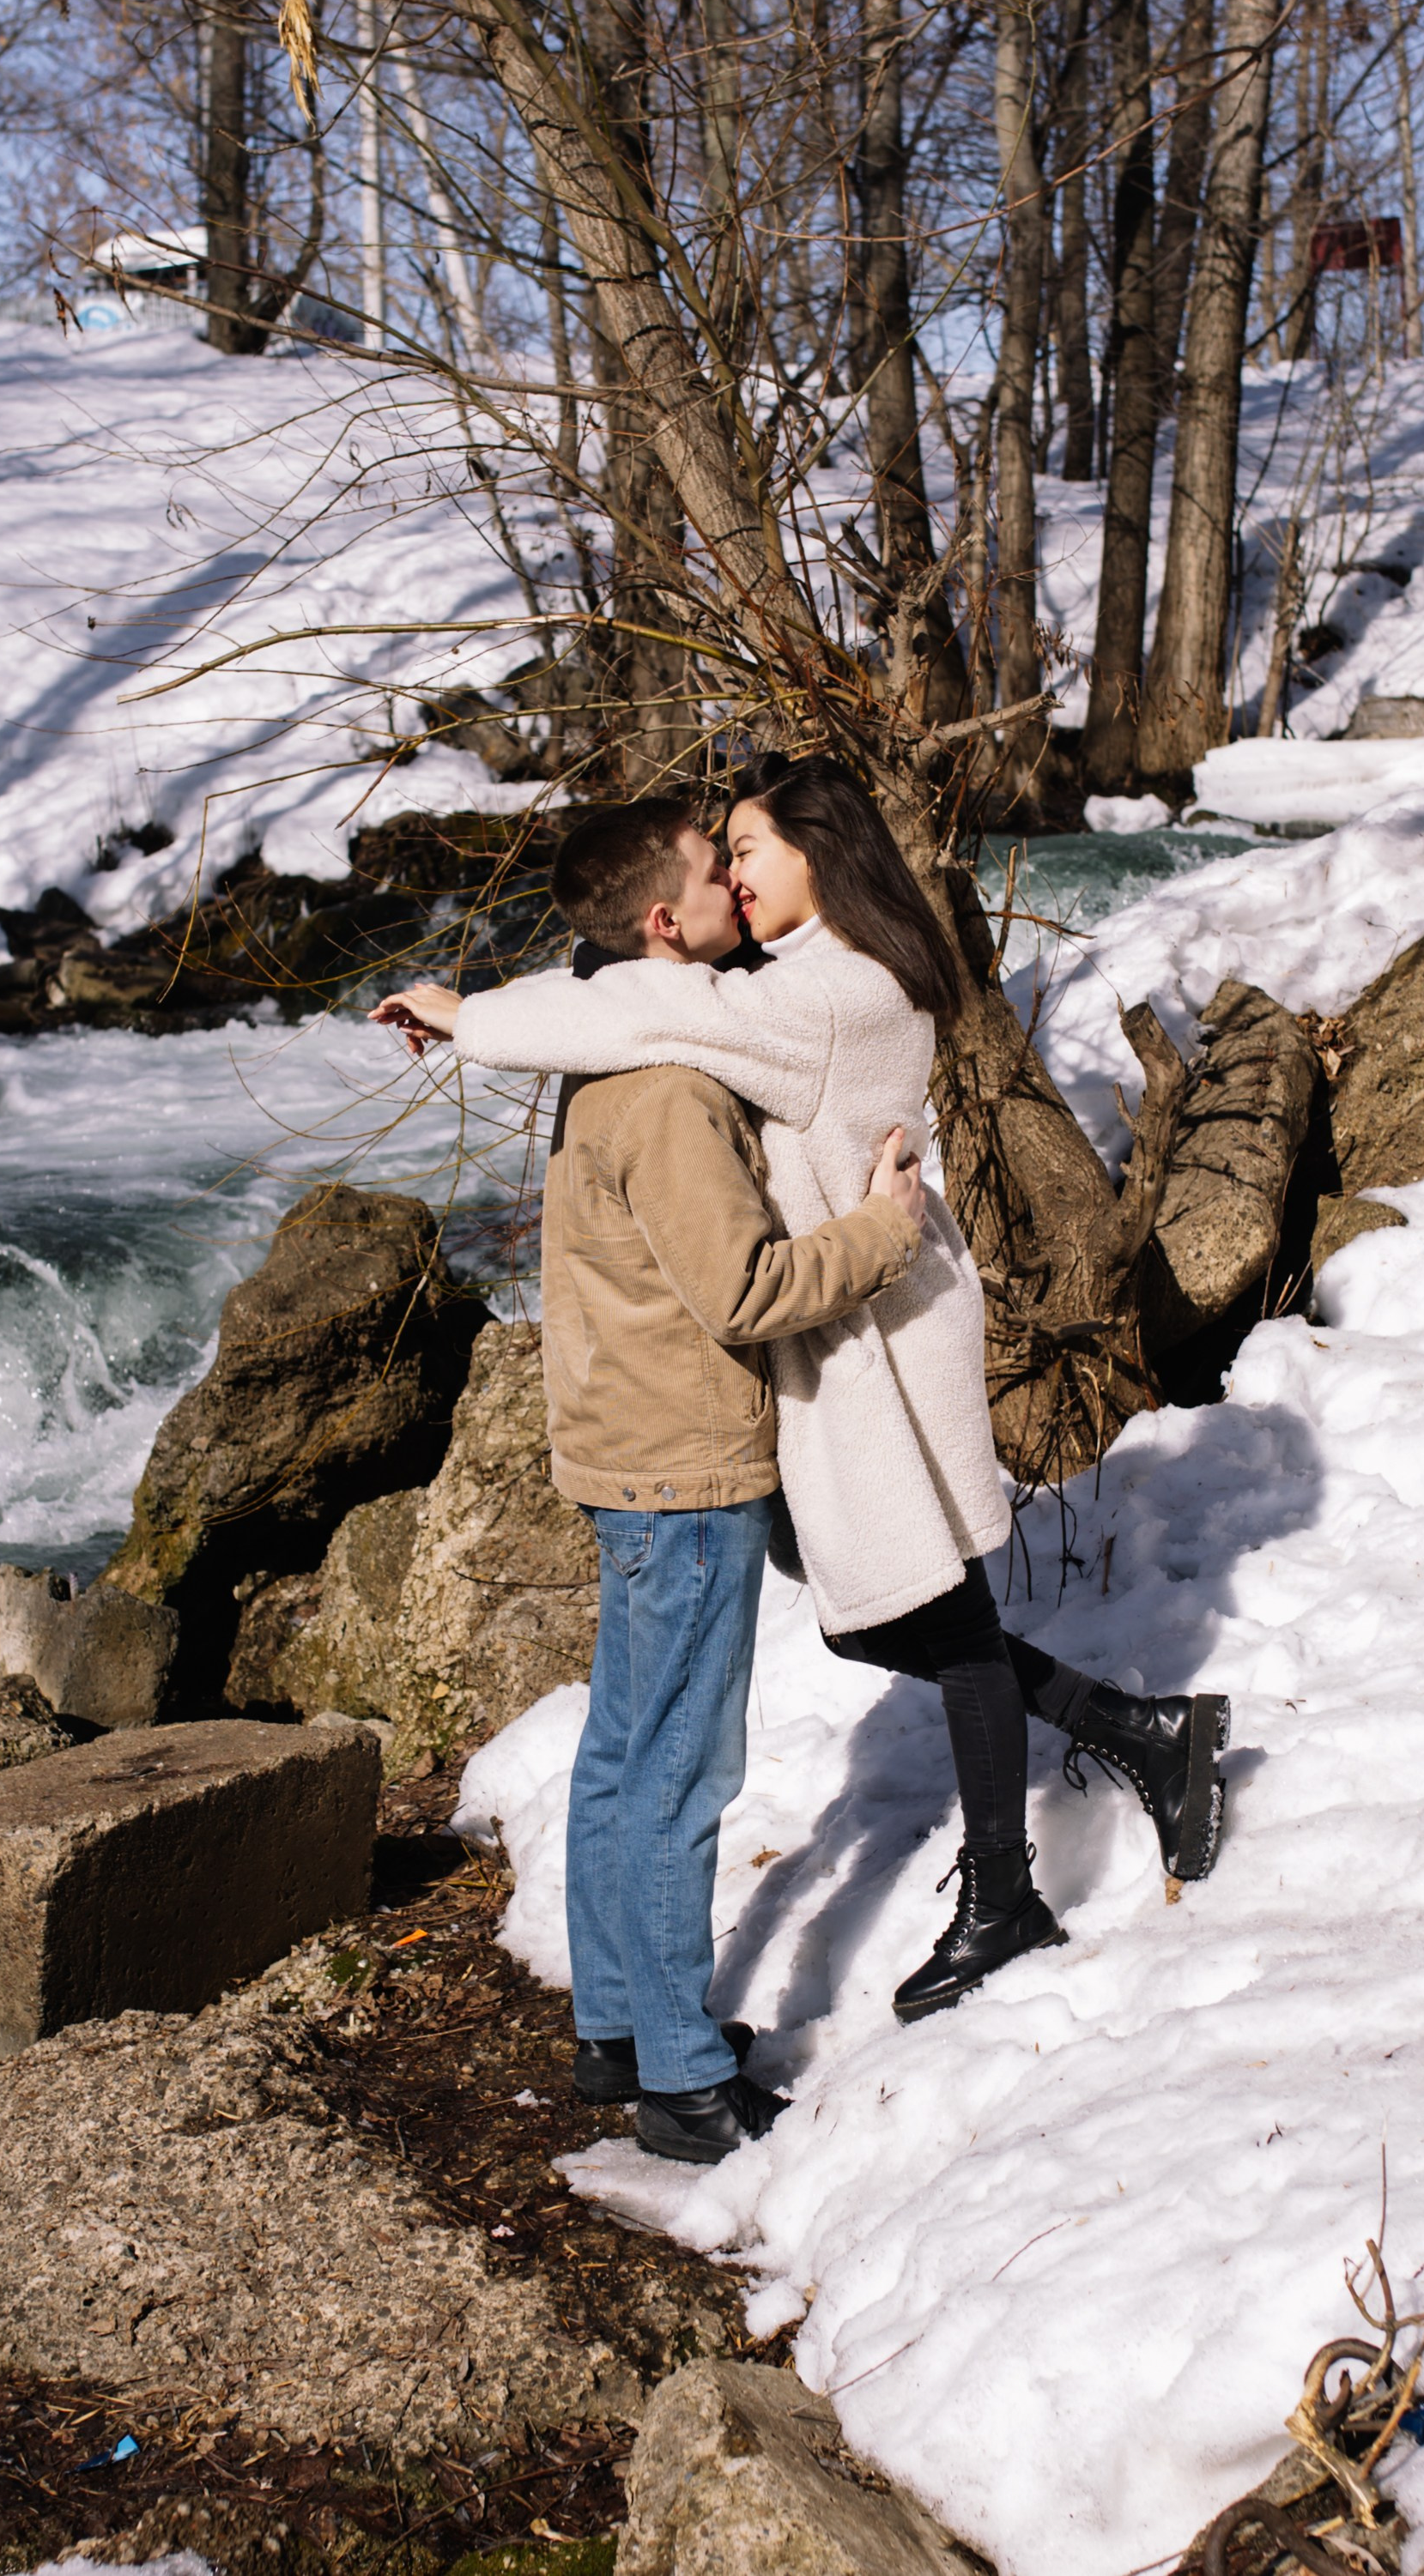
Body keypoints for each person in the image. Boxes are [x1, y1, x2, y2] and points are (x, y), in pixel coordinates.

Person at [378, 753, 1230, 2028]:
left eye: (750, 849)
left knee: (928, 1613)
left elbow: (637, 1013)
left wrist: (463, 1013)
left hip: (871, 1334)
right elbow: (639, 991)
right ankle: (1141, 1735)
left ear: (818, 855)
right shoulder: (802, 976)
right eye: (719, 856)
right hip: (846, 1325)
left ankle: (1007, 1894)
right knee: (879, 1609)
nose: (731, 869)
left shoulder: (828, 995)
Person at [379, 792, 928, 2161]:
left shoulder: (611, 1050)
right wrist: (881, 1230)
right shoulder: (672, 1085)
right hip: (682, 1470)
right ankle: (680, 2077)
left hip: (622, 1452)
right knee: (679, 1767)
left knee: (624, 1755)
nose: (732, 893)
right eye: (710, 873)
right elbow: (746, 1289)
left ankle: (618, 2028)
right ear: (658, 919)